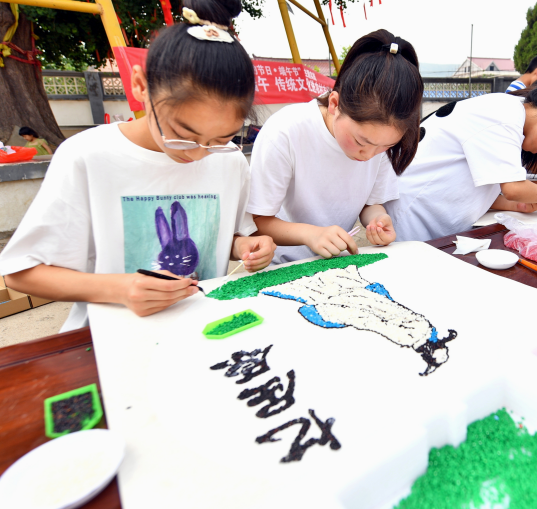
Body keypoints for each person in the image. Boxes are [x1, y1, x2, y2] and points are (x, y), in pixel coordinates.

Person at [0, 0, 277, 331]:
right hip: (110, 338)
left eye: (220, 139)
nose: (197, 154)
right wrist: (120, 288)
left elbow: (219, 236)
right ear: (141, 85)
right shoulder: (87, 156)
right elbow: (21, 272)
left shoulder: (228, 160)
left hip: (199, 330)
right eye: (182, 135)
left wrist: (243, 246)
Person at [247, 30, 423, 263]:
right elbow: (257, 221)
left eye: (385, 147)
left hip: (336, 263)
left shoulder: (378, 141)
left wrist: (378, 220)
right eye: (361, 142)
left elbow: (371, 204)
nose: (369, 155)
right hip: (280, 265)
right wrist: (311, 234)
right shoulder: (285, 131)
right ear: (334, 103)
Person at [385, 77, 537, 242]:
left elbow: (484, 185)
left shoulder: (509, 113)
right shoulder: (505, 116)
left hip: (428, 213)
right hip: (413, 214)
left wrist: (520, 205)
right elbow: (513, 189)